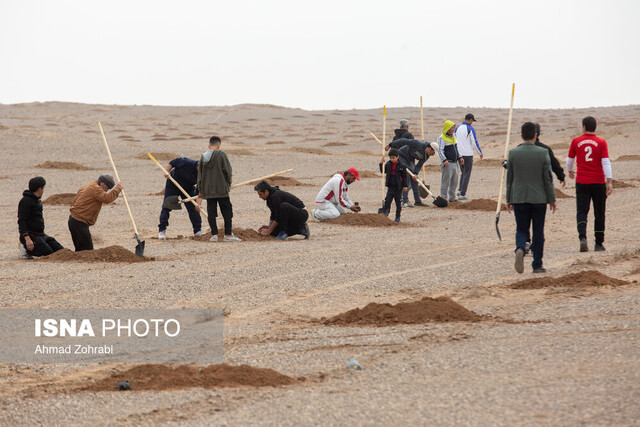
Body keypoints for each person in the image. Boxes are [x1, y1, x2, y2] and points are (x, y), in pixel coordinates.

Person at [506, 122, 557, 274]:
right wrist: (552, 198)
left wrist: (508, 198)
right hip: (539, 198)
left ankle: (520, 248)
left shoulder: (513, 153)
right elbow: (548, 178)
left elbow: (510, 178)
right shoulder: (542, 153)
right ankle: (537, 264)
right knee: (538, 231)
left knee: (521, 229)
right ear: (535, 135)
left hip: (519, 197)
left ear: (521, 135)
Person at [566, 116, 613, 252]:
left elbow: (569, 160)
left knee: (582, 211)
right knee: (599, 212)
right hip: (598, 182)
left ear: (584, 127)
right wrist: (609, 181)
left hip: (582, 181)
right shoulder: (601, 142)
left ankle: (582, 238)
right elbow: (605, 162)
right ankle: (598, 243)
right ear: (595, 127)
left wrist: (569, 171)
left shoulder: (576, 141)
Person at [522, 123, 566, 255]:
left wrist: (504, 164)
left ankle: (526, 242)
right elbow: (554, 164)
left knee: (524, 220)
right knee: (537, 222)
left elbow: (513, 167)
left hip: (523, 192)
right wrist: (561, 176)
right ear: (537, 134)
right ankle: (535, 246)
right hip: (539, 193)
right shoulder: (545, 149)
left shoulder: (519, 149)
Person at [196, 136, 241, 242]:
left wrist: (202, 190)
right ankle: (228, 235)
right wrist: (228, 184)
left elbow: (200, 175)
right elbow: (227, 171)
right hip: (221, 189)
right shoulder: (221, 154)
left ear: (209, 146)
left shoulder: (203, 156)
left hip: (208, 190)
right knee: (227, 212)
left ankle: (214, 235)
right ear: (219, 145)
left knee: (211, 212)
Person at [68, 174, 124, 251]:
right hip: (79, 222)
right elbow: (107, 199)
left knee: (80, 249)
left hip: (74, 220)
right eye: (107, 188)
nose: (106, 191)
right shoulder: (96, 189)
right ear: (103, 184)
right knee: (87, 250)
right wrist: (117, 189)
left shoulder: (89, 185)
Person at [17, 176, 64, 258]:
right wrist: (27, 239)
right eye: (43, 188)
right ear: (39, 189)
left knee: (60, 251)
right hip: (30, 236)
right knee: (48, 253)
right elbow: (21, 221)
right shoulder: (25, 201)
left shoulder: (37, 200)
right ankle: (25, 248)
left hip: (40, 235)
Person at [158, 157, 203, 239]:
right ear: (198, 166)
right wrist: (167, 172)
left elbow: (200, 192)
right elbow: (172, 162)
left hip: (188, 188)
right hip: (173, 184)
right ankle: (162, 230)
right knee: (167, 206)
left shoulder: (203, 175)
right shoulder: (186, 162)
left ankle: (197, 230)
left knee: (193, 208)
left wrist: (198, 204)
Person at [386, 138, 436, 207]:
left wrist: (415, 173)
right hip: (401, 156)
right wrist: (390, 145)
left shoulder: (426, 155)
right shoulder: (417, 144)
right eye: (433, 153)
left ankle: (417, 201)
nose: (433, 155)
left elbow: (419, 165)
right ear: (429, 148)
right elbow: (403, 140)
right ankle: (404, 201)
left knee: (414, 179)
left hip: (410, 160)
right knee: (406, 178)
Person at [455, 113, 483, 200]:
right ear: (470, 120)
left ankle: (460, 190)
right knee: (467, 173)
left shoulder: (457, 128)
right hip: (467, 154)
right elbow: (474, 142)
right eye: (472, 121)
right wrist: (480, 152)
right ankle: (463, 194)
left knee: (463, 172)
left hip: (459, 154)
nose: (472, 122)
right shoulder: (470, 128)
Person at [437, 120, 464, 203]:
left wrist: (460, 157)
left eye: (453, 127)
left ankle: (452, 197)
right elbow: (440, 150)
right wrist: (444, 160)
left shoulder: (454, 136)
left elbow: (456, 148)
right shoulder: (442, 138)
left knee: (454, 182)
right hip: (447, 163)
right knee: (446, 182)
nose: (453, 129)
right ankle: (444, 197)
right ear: (447, 128)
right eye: (452, 127)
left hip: (455, 163)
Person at [379, 148, 409, 222]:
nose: (392, 159)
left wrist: (405, 186)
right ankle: (385, 215)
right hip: (390, 187)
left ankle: (397, 217)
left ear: (397, 157)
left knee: (398, 203)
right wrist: (381, 164)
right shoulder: (388, 164)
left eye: (393, 158)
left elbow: (404, 177)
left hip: (398, 188)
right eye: (390, 158)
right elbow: (383, 171)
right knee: (387, 201)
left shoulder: (402, 166)